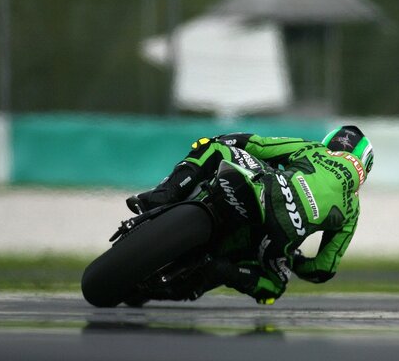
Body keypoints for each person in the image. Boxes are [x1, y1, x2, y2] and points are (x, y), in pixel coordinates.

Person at [126, 125, 374, 303]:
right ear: (365, 164)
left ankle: (162, 196)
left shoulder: (312, 149)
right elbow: (322, 270)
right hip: (277, 239)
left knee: (214, 148)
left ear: (328, 141)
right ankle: (220, 270)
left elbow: (256, 144)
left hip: (264, 190)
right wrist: (294, 258)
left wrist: (223, 139)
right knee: (275, 285)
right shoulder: (352, 209)